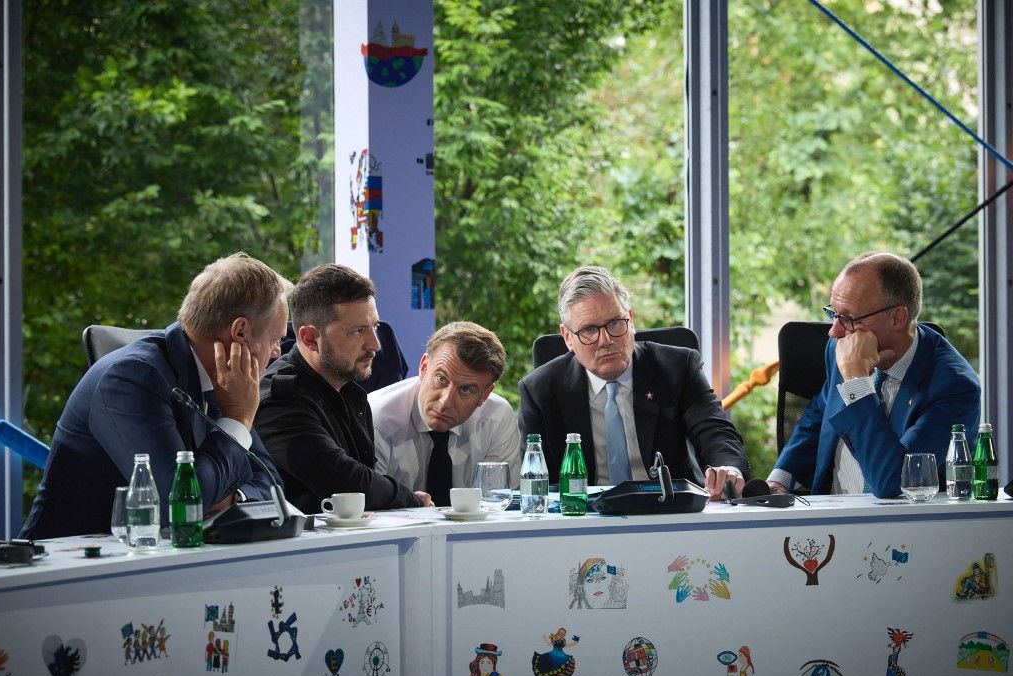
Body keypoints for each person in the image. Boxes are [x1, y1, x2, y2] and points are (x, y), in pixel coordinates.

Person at [21, 253, 289, 540]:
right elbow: (176, 508)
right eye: (275, 339)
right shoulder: (131, 377)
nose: (278, 352)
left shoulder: (225, 380)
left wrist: (233, 499)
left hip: (155, 555)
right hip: (72, 559)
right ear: (240, 331)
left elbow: (271, 483)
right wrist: (236, 418)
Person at [518, 266, 749, 499]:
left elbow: (714, 431)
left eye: (615, 323)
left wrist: (729, 468)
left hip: (669, 508)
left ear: (631, 320)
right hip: (584, 513)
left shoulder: (677, 368)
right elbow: (537, 481)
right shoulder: (540, 390)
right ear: (568, 337)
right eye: (589, 330)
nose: (605, 340)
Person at [769, 252, 980, 498]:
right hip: (829, 511)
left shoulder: (954, 388)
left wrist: (856, 381)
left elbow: (893, 482)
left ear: (897, 317)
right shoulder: (842, 347)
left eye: (848, 318)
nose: (834, 332)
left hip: (900, 519)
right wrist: (779, 480)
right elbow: (819, 416)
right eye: (834, 314)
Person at [255, 264, 432, 512]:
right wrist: (411, 499)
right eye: (358, 331)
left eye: (374, 327)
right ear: (309, 338)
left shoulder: (349, 390)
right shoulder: (280, 401)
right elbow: (347, 484)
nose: (375, 345)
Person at [368, 322, 521, 506]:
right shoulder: (375, 416)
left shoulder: (497, 417)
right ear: (424, 368)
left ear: (484, 395)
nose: (445, 402)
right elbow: (368, 507)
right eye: (441, 379)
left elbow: (496, 506)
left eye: (466, 390)